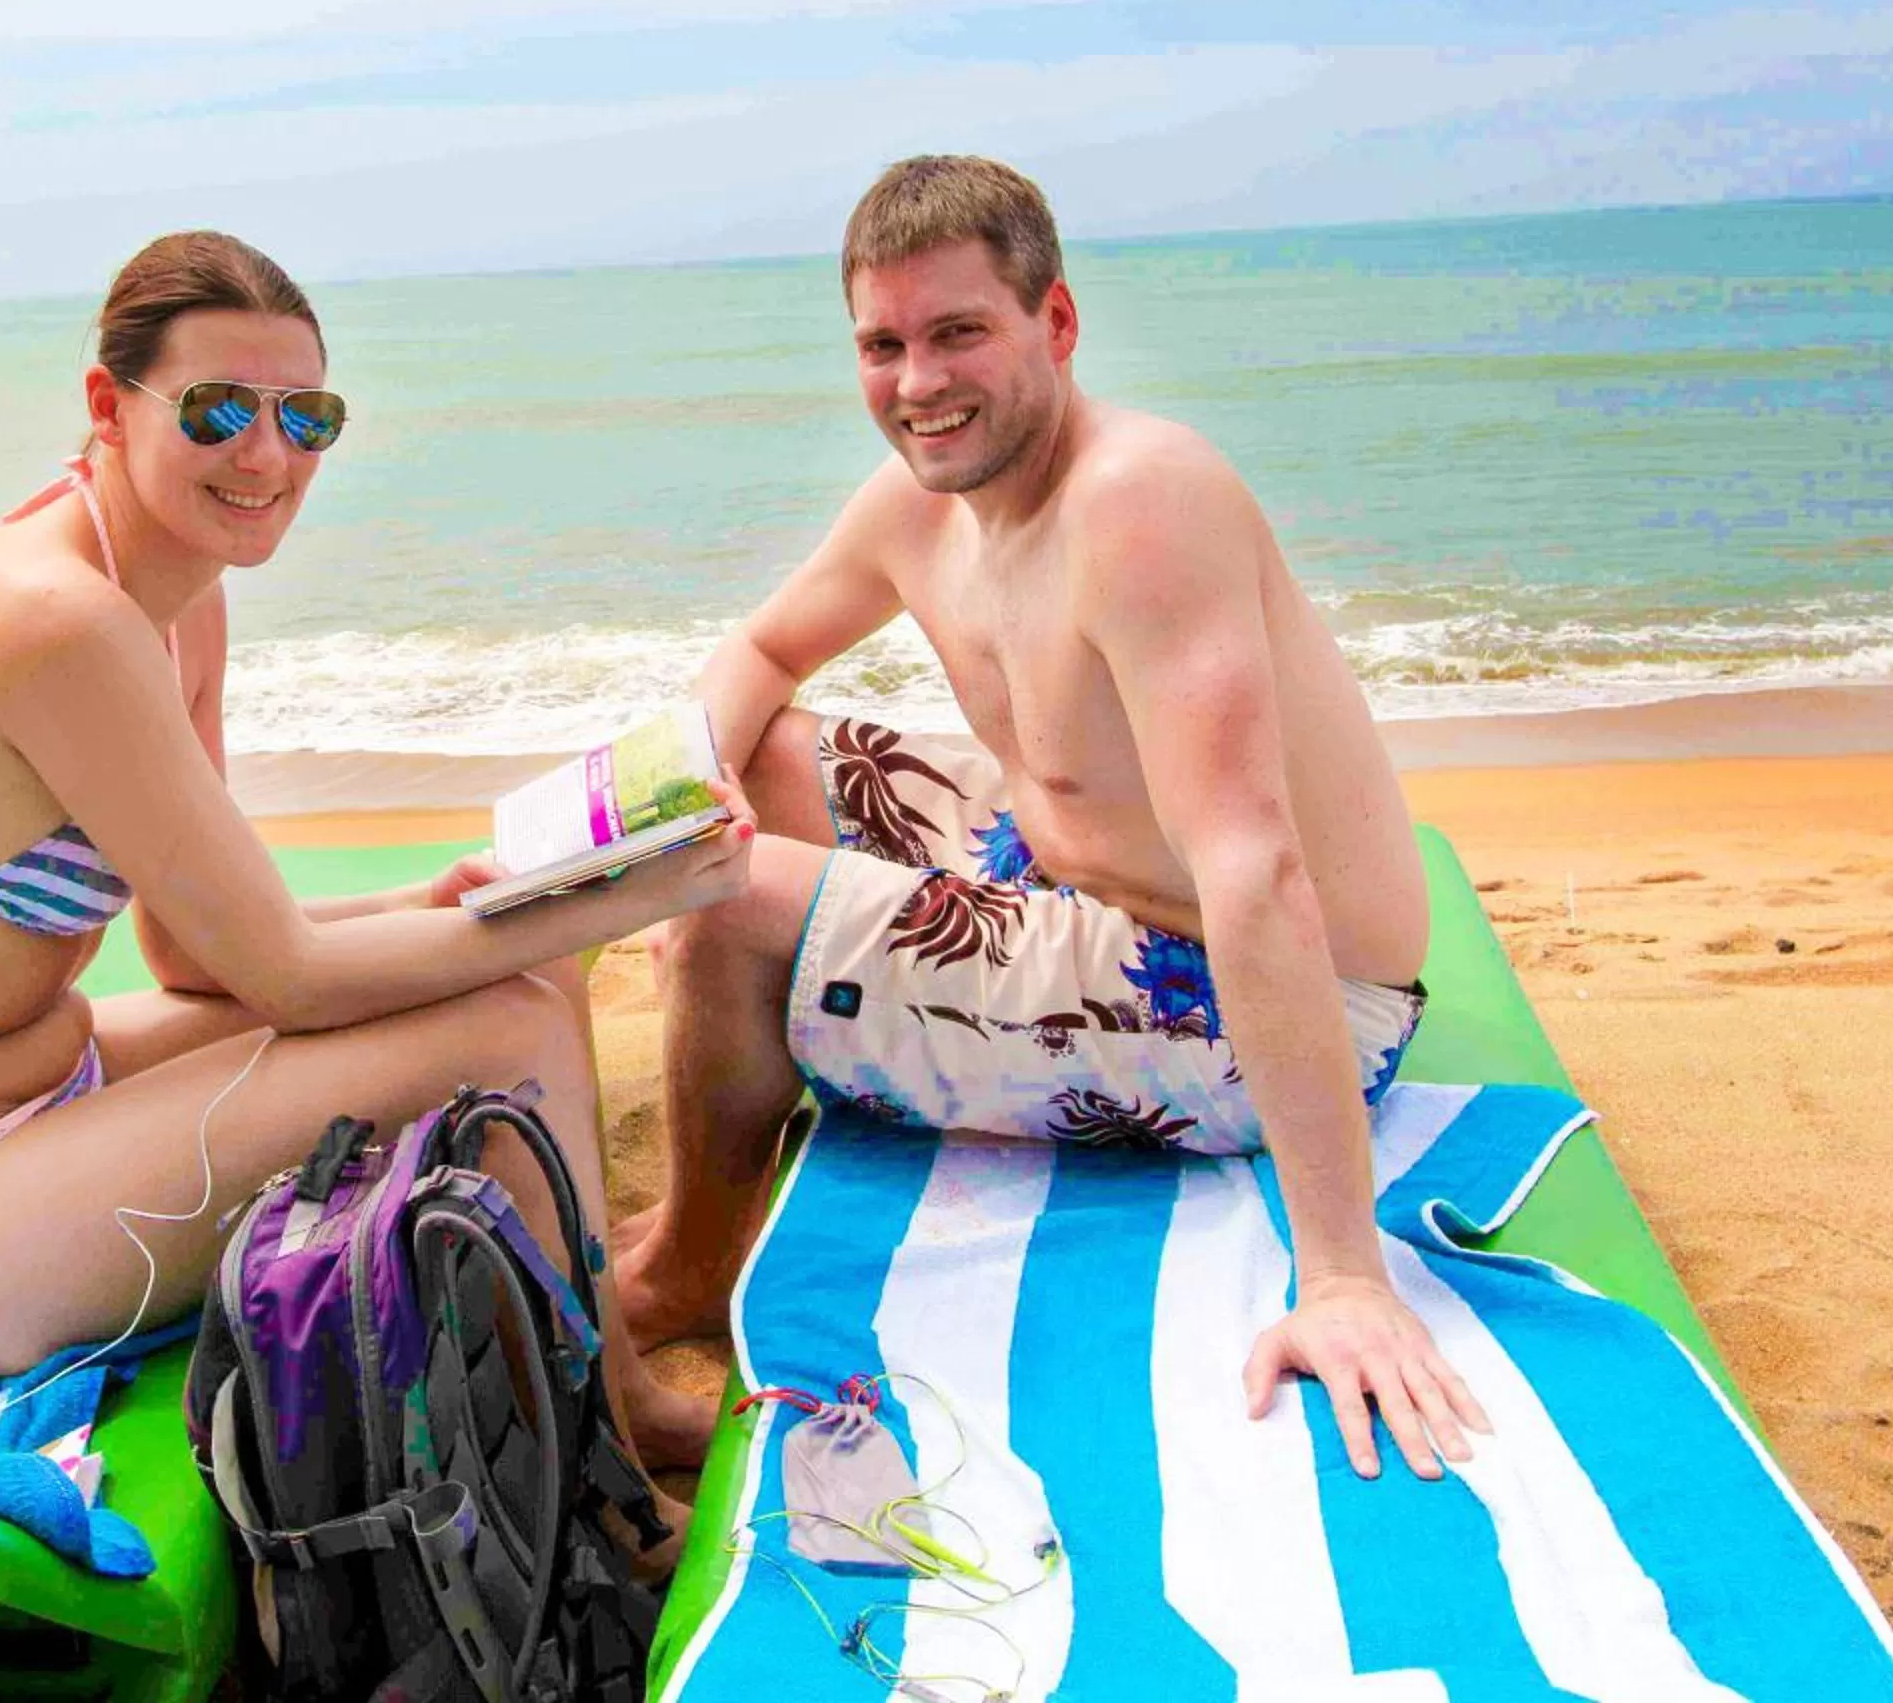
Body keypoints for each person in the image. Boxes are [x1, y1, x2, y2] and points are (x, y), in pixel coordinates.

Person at [0, 229, 737, 1474]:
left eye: (307, 416)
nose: (268, 455)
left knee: (523, 974)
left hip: (39, 1095)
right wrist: (626, 898)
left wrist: (438, 902)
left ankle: (614, 1390)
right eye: (219, 408)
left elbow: (187, 952)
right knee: (504, 1021)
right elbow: (283, 982)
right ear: (107, 406)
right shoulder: (52, 619)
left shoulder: (175, 597)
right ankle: (597, 1467)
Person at [610, 157, 1489, 1482]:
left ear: (1057, 326)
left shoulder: (1138, 500)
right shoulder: (920, 502)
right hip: (1064, 882)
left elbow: (1253, 870)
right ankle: (761, 1071)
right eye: (885, 345)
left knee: (727, 896)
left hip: (1241, 1001)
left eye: (959, 333)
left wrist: (1347, 1276)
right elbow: (761, 651)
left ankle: (685, 1271)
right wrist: (651, 805)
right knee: (766, 767)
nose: (918, 384)